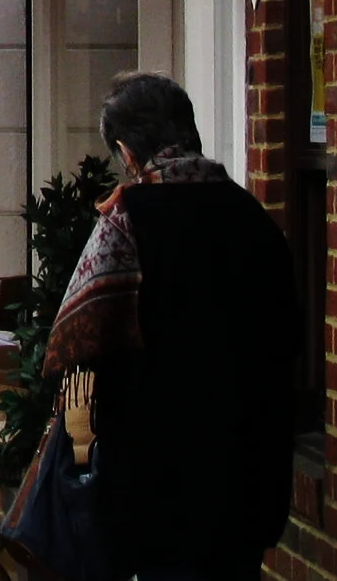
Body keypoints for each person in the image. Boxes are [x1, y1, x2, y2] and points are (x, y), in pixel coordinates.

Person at [46, 72, 294, 581]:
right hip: (250, 476)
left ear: (127, 151)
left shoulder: (128, 222)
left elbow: (75, 346)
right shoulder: (255, 219)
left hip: (159, 483)